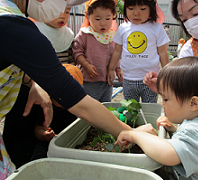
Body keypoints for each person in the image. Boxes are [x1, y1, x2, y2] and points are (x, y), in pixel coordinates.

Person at [0, 0, 156, 178]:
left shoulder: (9, 21)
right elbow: (79, 102)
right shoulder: (14, 28)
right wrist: (133, 133)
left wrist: (33, 83)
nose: (63, 8)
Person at [116, 57, 198, 180]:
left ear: (193, 103)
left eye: (166, 99)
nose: (162, 104)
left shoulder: (195, 132)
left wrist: (134, 135)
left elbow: (168, 153)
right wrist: (173, 129)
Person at [107, 0, 170, 103]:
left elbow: (163, 52)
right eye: (131, 9)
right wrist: (111, 69)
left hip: (150, 79)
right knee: (130, 110)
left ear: (151, 9)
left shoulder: (156, 27)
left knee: (149, 109)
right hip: (128, 79)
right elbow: (117, 51)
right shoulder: (123, 28)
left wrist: (168, 73)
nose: (136, 13)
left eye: (142, 9)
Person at [72, 0, 122, 102]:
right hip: (89, 81)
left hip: (107, 81)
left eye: (108, 18)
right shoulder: (84, 34)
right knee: (90, 108)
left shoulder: (112, 35)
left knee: (106, 106)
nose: (103, 23)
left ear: (113, 16)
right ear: (88, 16)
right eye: (97, 19)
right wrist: (86, 65)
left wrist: (118, 69)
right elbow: (77, 52)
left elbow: (115, 55)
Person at [31, 64, 83, 161]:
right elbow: (38, 128)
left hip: (70, 142)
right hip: (48, 143)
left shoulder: (77, 107)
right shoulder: (45, 105)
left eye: (70, 93)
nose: (63, 97)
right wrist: (44, 135)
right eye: (60, 91)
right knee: (39, 158)